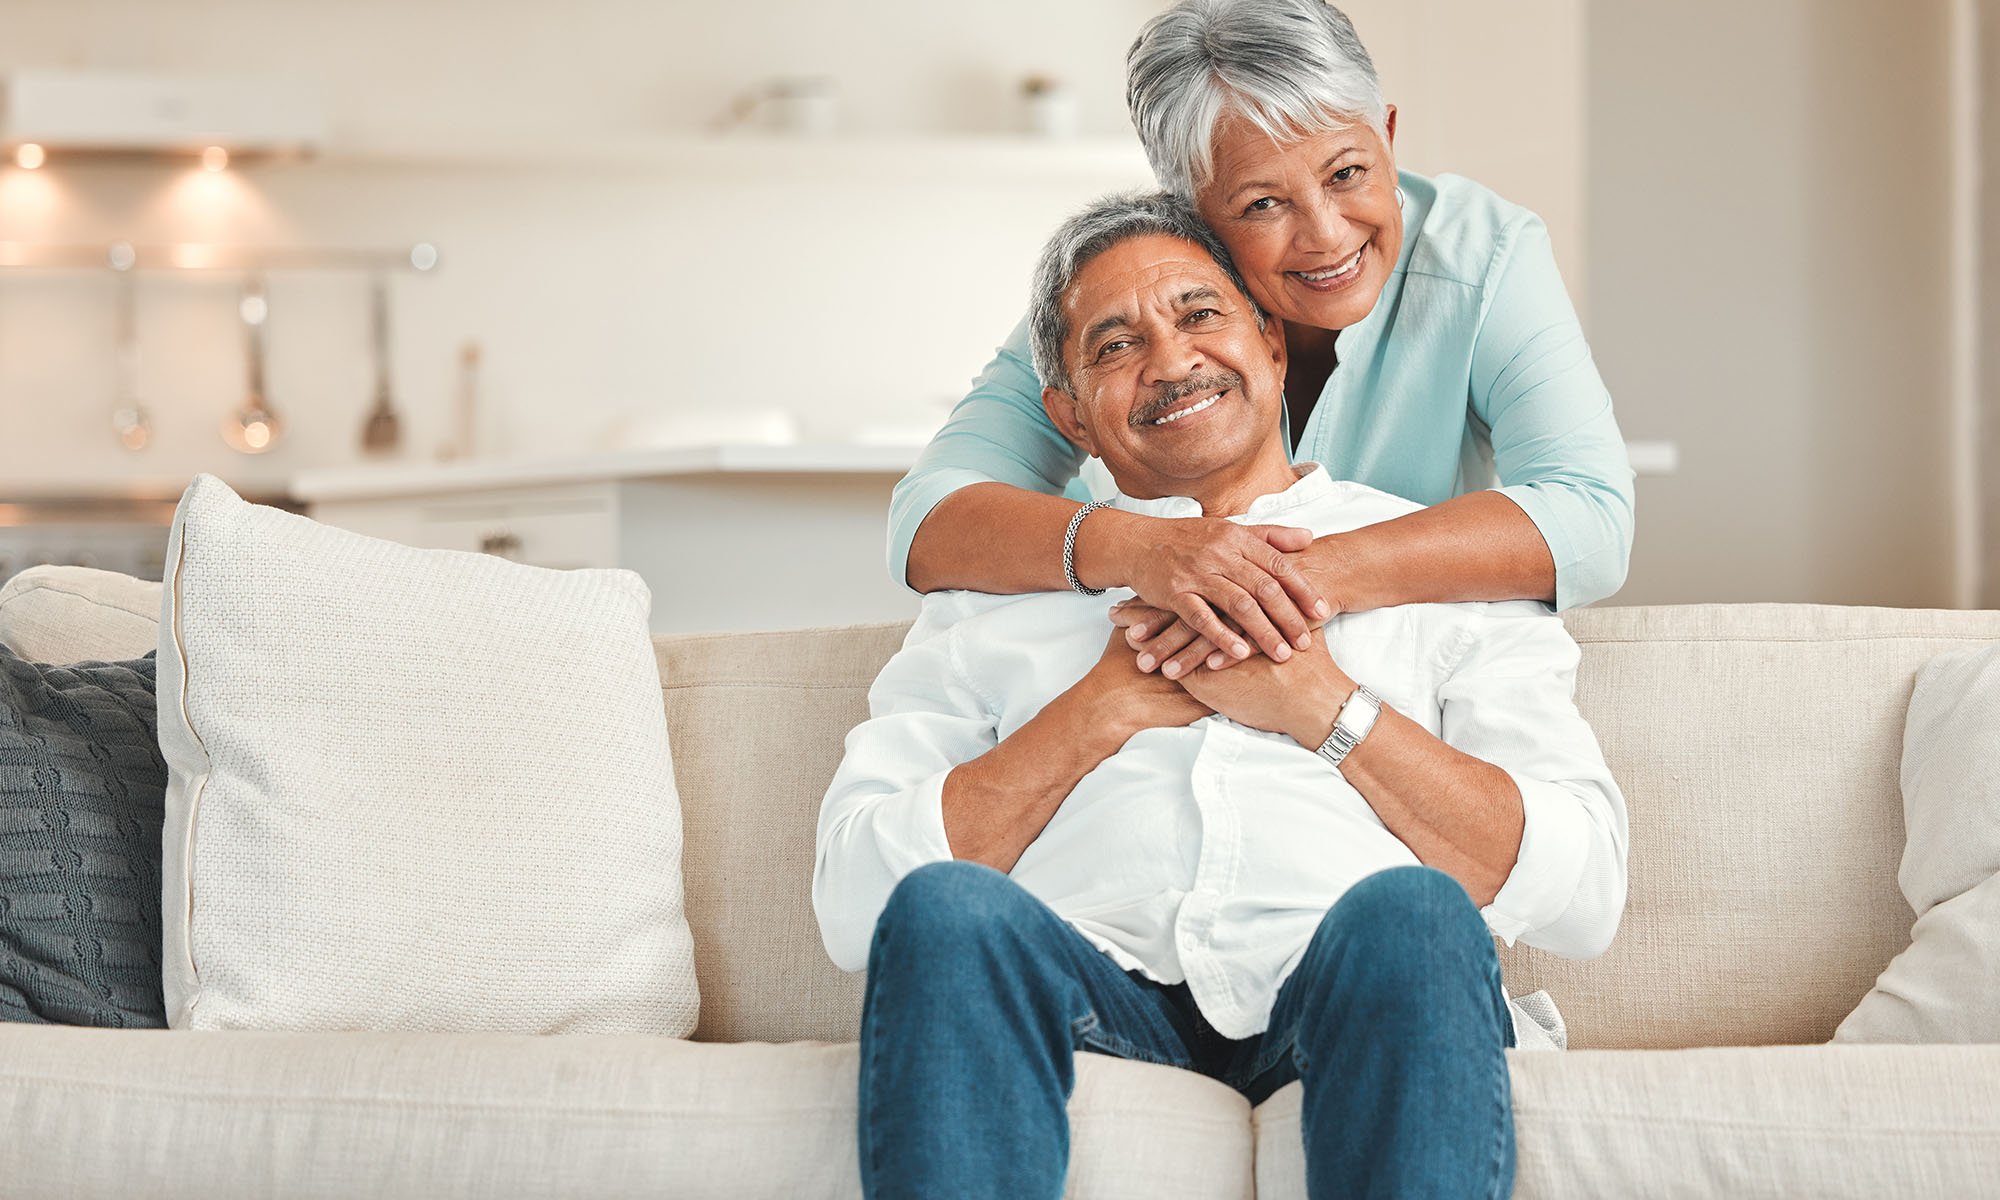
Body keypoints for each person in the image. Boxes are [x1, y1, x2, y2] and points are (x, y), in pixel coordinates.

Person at [816, 192, 1628, 1200]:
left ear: (1273, 348)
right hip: (1086, 990)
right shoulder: (990, 597)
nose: (1167, 363)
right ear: (1067, 412)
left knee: (1415, 917)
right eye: (1113, 344)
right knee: (943, 910)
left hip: (1346, 985)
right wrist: (1100, 709)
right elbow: (854, 903)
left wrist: (1325, 709)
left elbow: (1584, 892)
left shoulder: (1439, 570)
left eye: (1199, 316)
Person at [891, 0, 1634, 684]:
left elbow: (1591, 518)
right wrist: (1145, 553)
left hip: (1391, 673)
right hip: (1154, 673)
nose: (1327, 235)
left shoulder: (1487, 253)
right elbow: (929, 519)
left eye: (1348, 172)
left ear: (1388, 136)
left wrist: (1292, 576)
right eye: (1263, 203)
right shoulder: (1130, 284)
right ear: (1191, 211)